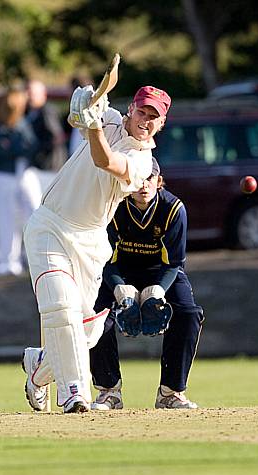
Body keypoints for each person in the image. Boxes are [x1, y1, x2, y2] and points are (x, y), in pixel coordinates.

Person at [21, 84, 171, 413]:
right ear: (131, 108)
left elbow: (104, 160)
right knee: (61, 308)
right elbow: (80, 113)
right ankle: (75, 393)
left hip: (90, 241)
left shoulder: (142, 162)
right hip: (50, 225)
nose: (146, 120)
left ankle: (40, 368)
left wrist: (91, 126)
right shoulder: (112, 119)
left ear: (161, 124)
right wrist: (86, 101)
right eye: (142, 111)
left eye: (154, 117)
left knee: (86, 332)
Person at [89, 158, 204, 410]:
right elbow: (105, 259)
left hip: (161, 272)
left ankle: (170, 392)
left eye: (149, 178)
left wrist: (158, 291)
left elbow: (174, 263)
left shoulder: (173, 209)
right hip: (119, 270)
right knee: (94, 315)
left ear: (158, 180)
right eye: (138, 178)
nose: (144, 184)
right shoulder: (114, 206)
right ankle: (109, 391)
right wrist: (119, 287)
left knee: (189, 313)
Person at [0, 85, 40, 276]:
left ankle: (34, 256)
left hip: (24, 172)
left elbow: (30, 146)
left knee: (34, 214)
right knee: (6, 218)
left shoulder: (22, 123)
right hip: (5, 175)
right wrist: (17, 145)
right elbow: (6, 149)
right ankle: (7, 260)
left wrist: (16, 145)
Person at [26, 79, 67, 171]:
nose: (29, 97)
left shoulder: (47, 112)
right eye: (28, 93)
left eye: (32, 94)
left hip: (49, 166)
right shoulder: (31, 112)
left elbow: (57, 137)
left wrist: (37, 148)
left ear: (43, 94)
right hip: (39, 165)